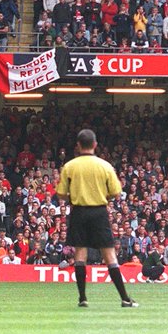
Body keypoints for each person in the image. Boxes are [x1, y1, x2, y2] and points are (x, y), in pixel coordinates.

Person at [56, 129, 137, 308]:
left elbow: (61, 193)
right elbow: (116, 192)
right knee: (109, 256)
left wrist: (74, 197)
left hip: (78, 211)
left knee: (80, 254)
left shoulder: (69, 166)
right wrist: (102, 196)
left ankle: (82, 298)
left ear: (78, 145)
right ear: (95, 145)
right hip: (99, 212)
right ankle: (124, 298)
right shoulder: (105, 166)